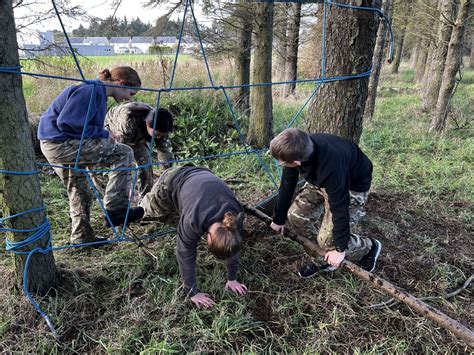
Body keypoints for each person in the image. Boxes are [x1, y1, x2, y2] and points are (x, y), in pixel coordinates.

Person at [38, 66, 144, 245]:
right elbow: (67, 123)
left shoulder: (97, 90)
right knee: (124, 153)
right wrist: (103, 134)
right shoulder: (92, 90)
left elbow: (79, 123)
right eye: (131, 93)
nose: (129, 99)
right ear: (120, 83)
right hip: (60, 143)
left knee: (80, 190)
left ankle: (82, 237)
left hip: (54, 143)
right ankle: (116, 209)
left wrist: (101, 132)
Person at [269, 128, 382, 277]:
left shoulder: (331, 167)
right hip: (322, 181)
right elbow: (287, 184)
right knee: (296, 216)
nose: (280, 163)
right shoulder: (297, 147)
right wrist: (279, 218)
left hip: (351, 186)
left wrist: (340, 249)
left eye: (282, 162)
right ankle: (322, 259)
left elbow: (339, 207)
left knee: (328, 241)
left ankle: (369, 246)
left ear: (296, 162)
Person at [140, 165, 247, 308]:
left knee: (175, 216)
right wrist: (192, 292)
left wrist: (232, 278)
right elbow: (185, 254)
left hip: (202, 173)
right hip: (171, 180)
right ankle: (137, 201)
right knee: (147, 212)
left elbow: (233, 249)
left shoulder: (236, 216)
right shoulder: (193, 220)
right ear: (207, 238)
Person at [105, 101, 174, 199]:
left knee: (146, 164)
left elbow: (166, 154)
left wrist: (167, 179)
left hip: (137, 134)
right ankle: (120, 197)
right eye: (157, 134)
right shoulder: (127, 120)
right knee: (122, 168)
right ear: (147, 123)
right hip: (114, 127)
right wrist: (128, 187)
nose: (159, 137)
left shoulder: (162, 125)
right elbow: (123, 155)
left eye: (162, 135)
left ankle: (145, 199)